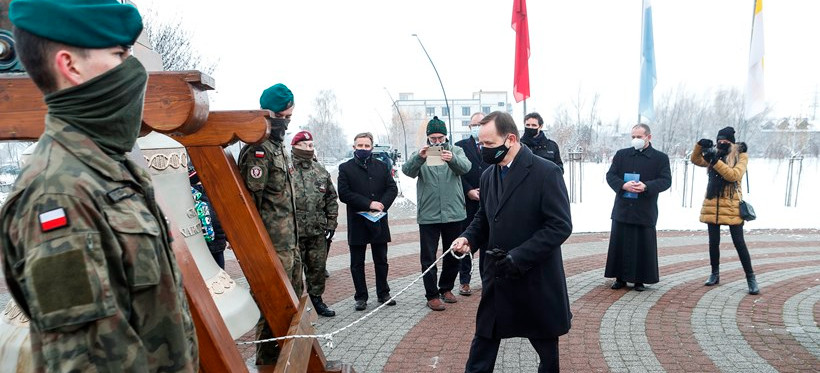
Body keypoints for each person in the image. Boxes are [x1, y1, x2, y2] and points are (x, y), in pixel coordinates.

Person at [0, 1, 198, 371]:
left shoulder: (108, 167)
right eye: (120, 54)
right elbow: (87, 361)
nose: (134, 70)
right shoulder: (56, 194)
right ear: (69, 65)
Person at [452, 111, 573, 373]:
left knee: (546, 350)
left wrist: (519, 257)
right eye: (481, 144)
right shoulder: (489, 175)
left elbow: (560, 226)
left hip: (534, 277)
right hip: (498, 275)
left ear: (511, 139)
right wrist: (468, 239)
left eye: (489, 144)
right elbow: (484, 218)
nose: (483, 149)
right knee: (484, 338)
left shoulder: (546, 172)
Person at [237, 83, 301, 364]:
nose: (285, 122)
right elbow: (250, 202)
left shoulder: (278, 146)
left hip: (289, 243)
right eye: (282, 116)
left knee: (292, 303)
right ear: (268, 113)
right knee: (271, 305)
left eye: (289, 116)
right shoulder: (258, 149)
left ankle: (290, 360)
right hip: (271, 245)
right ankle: (267, 363)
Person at [402, 116, 471, 311]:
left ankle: (446, 288)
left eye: (440, 138)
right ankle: (431, 294)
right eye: (433, 138)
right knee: (428, 256)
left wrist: (452, 159)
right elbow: (407, 171)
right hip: (429, 214)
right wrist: (419, 157)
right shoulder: (422, 153)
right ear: (428, 138)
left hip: (454, 212)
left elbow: (466, 168)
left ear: (446, 136)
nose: (437, 142)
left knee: (453, 253)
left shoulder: (456, 150)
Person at [691, 127, 759, 295]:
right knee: (713, 242)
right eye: (719, 140)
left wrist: (715, 161)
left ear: (732, 142)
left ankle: (751, 278)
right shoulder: (714, 154)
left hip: (732, 205)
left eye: (725, 141)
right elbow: (695, 160)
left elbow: (733, 175)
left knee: (739, 243)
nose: (722, 143)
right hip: (712, 204)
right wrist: (699, 146)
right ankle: (714, 274)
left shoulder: (741, 155)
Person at [604, 124, 671, 292]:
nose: (636, 140)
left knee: (642, 245)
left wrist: (647, 186)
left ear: (649, 137)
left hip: (644, 209)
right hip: (623, 207)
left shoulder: (660, 158)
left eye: (639, 137)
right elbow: (610, 175)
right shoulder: (622, 155)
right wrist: (622, 185)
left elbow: (665, 180)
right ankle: (619, 277)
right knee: (620, 242)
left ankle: (640, 279)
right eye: (633, 136)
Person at [338, 132, 399, 311]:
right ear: (354, 147)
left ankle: (383, 293)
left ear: (371, 147)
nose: (363, 149)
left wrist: (381, 205)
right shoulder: (345, 168)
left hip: (378, 220)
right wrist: (368, 203)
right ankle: (361, 296)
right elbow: (344, 193)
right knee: (357, 262)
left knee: (381, 260)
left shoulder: (381, 166)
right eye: (360, 146)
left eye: (366, 146)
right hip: (357, 221)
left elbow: (392, 188)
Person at [290, 130, 339, 317]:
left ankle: (317, 301)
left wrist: (331, 224)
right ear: (295, 146)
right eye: (306, 145)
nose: (310, 149)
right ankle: (294, 305)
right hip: (292, 232)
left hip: (316, 231)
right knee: (294, 272)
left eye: (311, 145)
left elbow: (331, 199)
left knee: (317, 268)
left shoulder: (320, 170)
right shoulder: (285, 169)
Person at [453, 112, 488, 296]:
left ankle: (486, 279)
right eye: (474, 125)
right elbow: (458, 173)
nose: (477, 127)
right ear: (469, 127)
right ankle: (464, 281)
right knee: (467, 240)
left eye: (481, 124)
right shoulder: (460, 147)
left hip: (489, 199)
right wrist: (469, 190)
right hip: (467, 201)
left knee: (488, 243)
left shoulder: (492, 145)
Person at [189, 165, 228, 269]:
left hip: (211, 244)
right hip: (216, 243)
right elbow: (221, 219)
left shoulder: (195, 196)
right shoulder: (210, 194)